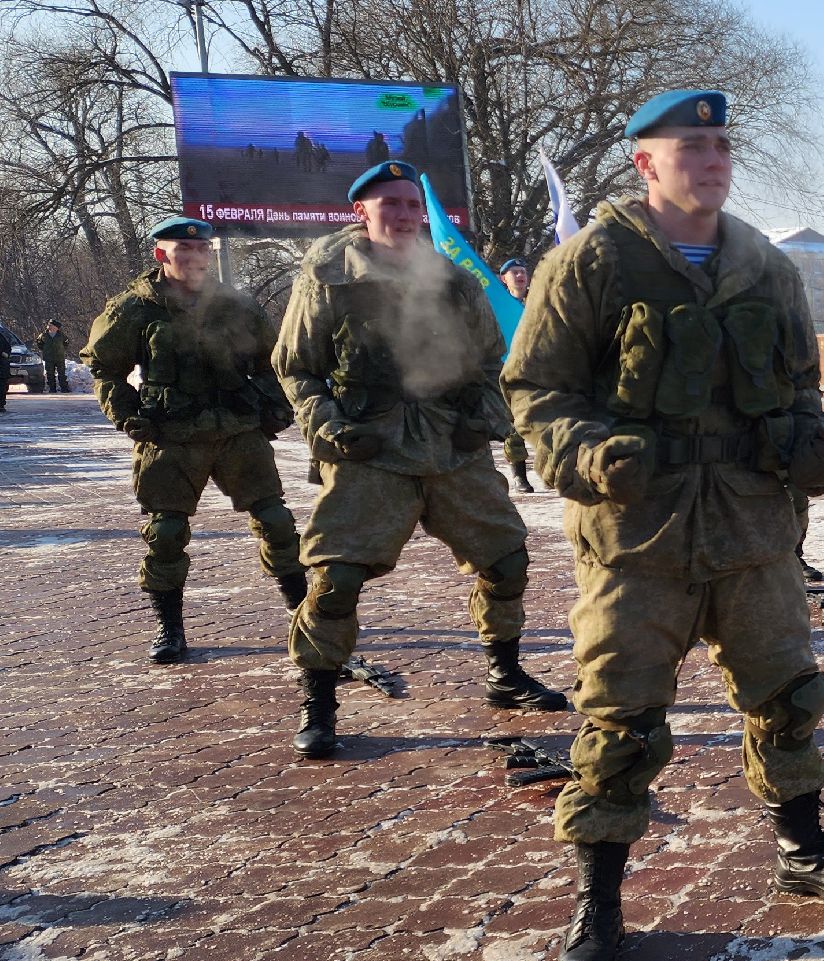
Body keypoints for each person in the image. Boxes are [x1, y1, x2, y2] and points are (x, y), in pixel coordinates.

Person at [504, 90, 824, 961]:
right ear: (645, 161)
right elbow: (535, 394)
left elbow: (796, 382)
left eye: (721, 144)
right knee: (622, 718)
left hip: (753, 527)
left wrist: (811, 436)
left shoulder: (761, 263)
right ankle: (600, 899)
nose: (712, 159)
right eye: (692, 145)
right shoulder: (590, 262)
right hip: (638, 534)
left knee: (787, 697)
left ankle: (800, 847)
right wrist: (590, 454)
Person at [274, 160, 568, 760]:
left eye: (413, 205)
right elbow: (296, 367)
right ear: (362, 211)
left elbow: (492, 361)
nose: (406, 217)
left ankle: (504, 675)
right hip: (370, 447)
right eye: (392, 205)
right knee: (336, 580)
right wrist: (330, 427)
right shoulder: (329, 277)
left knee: (507, 562)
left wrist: (481, 420)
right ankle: (320, 703)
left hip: (451, 443)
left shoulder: (454, 280)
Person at [86, 216, 304, 662]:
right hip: (171, 436)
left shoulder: (235, 305)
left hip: (238, 431)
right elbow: (104, 369)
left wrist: (273, 408)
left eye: (201, 250)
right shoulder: (134, 307)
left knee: (277, 523)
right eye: (182, 251)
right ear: (161, 255)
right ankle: (170, 628)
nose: (194, 258)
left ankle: (303, 613)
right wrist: (129, 418)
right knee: (166, 532)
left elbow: (274, 361)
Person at [498, 258, 538, 493]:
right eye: (514, 272)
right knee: (514, 426)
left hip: (539, 369)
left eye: (523, 271)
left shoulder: (537, 301)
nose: (520, 275)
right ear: (504, 279)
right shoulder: (498, 305)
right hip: (509, 370)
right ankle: (519, 475)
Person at [38, 319, 71, 393]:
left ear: (56, 327)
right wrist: (45, 349)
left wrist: (62, 349)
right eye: (48, 325)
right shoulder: (43, 335)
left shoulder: (61, 335)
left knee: (62, 374)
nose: (49, 326)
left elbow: (66, 342)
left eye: (51, 325)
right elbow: (39, 343)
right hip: (49, 358)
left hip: (59, 357)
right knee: (50, 374)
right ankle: (52, 389)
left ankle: (64, 388)